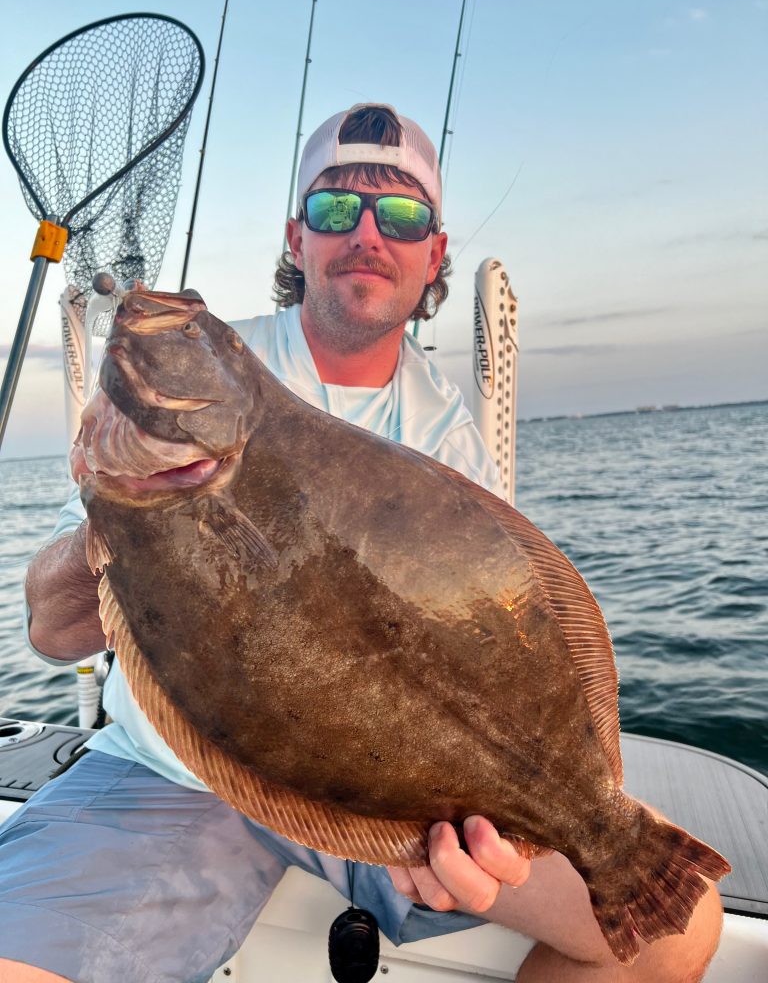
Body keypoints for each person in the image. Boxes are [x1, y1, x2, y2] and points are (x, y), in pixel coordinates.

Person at [0, 104, 723, 983]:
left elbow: (465, 662)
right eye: (336, 209)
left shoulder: (450, 440)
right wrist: (132, 521)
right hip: (172, 779)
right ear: (297, 240)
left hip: (382, 795)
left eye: (402, 214)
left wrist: (454, 835)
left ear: (434, 252)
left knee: (674, 928)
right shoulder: (213, 382)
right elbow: (50, 632)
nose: (367, 233)